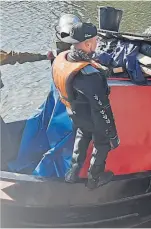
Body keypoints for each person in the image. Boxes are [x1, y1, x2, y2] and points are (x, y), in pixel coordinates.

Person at [52, 20, 120, 189]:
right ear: (88, 43)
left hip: (74, 112)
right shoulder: (89, 76)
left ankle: (72, 173)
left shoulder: (63, 59)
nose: (98, 44)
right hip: (92, 116)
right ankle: (94, 179)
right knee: (102, 144)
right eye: (96, 41)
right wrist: (112, 134)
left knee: (82, 136)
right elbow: (102, 108)